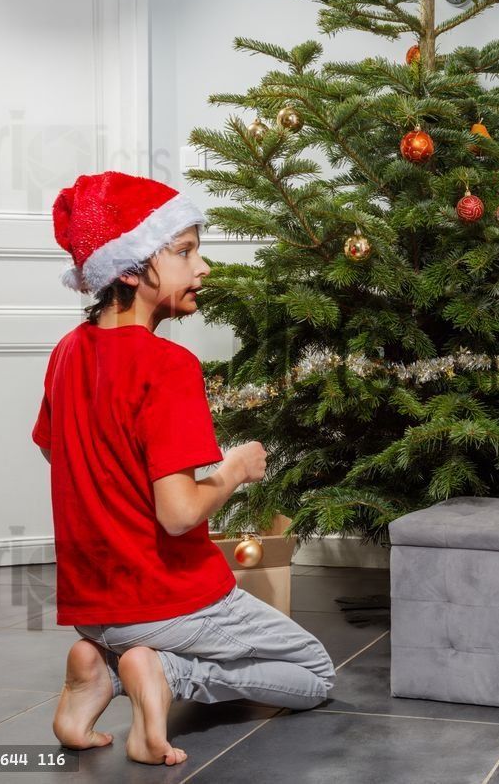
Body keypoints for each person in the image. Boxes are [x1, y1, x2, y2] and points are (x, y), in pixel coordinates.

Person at [33, 171, 335, 766]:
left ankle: (104, 673)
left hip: (96, 609)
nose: (202, 268)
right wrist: (235, 468)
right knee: (314, 672)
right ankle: (163, 673)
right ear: (128, 268)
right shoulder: (168, 365)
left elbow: (55, 450)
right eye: (184, 251)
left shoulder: (68, 350)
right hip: (166, 600)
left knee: (175, 646)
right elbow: (177, 516)